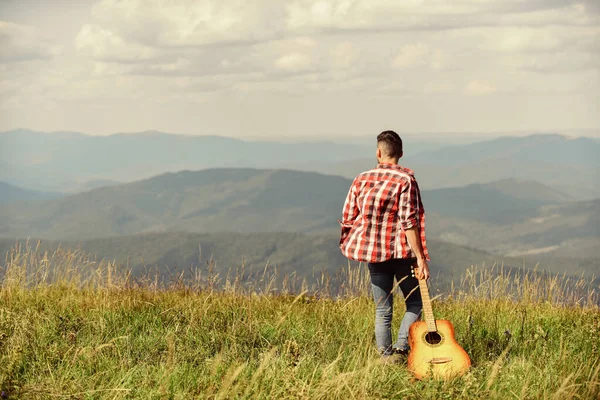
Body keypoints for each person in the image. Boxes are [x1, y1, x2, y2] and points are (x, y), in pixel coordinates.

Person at [339, 130, 430, 359]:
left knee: (383, 310)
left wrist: (359, 240)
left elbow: (348, 216)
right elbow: (409, 222)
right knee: (416, 303)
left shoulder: (361, 179)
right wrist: (420, 257)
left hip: (374, 254)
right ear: (400, 153)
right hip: (402, 253)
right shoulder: (406, 180)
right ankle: (401, 348)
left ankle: (385, 359)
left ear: (378, 153)